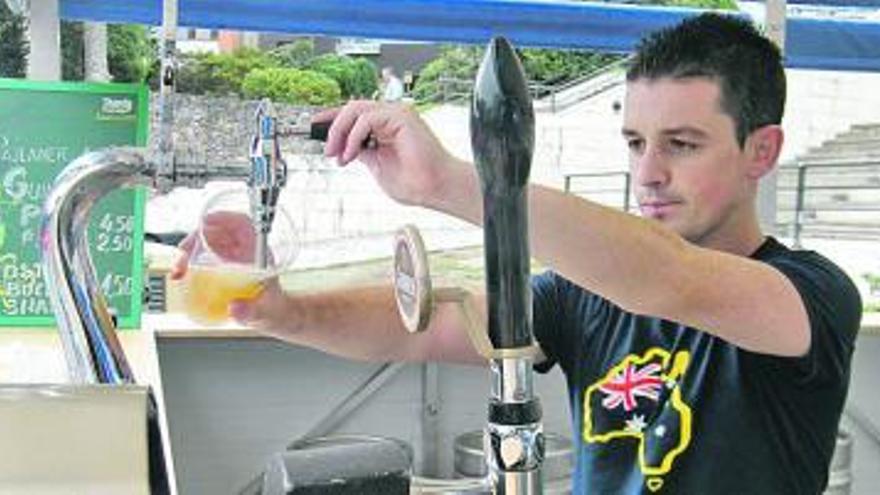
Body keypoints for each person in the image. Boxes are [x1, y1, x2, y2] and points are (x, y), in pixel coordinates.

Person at [172, 13, 861, 494]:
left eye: (681, 144)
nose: (648, 172)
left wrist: (453, 182)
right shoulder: (585, 294)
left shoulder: (810, 296)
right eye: (634, 142)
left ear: (761, 151)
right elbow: (429, 324)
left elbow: (668, 279)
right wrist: (282, 309)